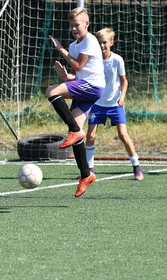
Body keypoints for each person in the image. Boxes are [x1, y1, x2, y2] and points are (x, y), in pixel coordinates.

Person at [47, 7, 105, 197]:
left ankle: (73, 130)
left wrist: (60, 49)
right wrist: (65, 75)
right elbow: (77, 73)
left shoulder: (90, 40)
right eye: (71, 25)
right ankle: (86, 175)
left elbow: (79, 64)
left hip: (93, 86)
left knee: (51, 91)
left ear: (86, 24)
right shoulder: (74, 45)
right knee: (78, 134)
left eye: (77, 25)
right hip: (84, 86)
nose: (74, 28)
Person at [86, 27, 144, 181]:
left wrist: (122, 97)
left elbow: (124, 81)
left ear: (111, 42)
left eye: (104, 42)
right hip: (97, 104)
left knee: (123, 135)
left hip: (114, 104)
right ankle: (89, 170)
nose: (102, 45)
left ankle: (136, 167)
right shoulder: (92, 60)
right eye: (99, 43)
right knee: (90, 135)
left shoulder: (117, 60)